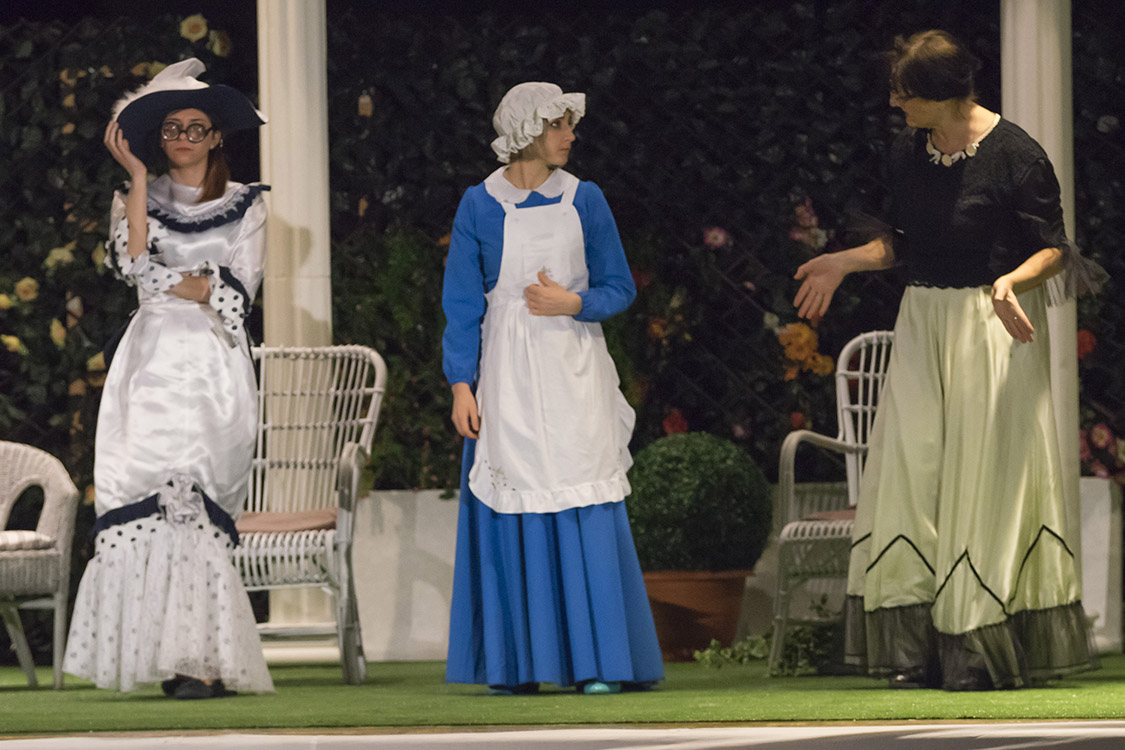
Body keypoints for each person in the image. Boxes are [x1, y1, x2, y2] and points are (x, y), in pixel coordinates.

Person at [792, 30, 1105, 691]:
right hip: (922, 321)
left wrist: (1009, 281)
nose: (894, 103)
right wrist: (843, 262)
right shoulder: (910, 151)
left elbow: (1054, 248)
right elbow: (904, 243)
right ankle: (914, 648)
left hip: (990, 325)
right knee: (910, 470)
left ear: (941, 96)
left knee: (979, 475)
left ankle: (975, 644)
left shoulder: (1015, 154)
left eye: (903, 94)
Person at [441, 81, 665, 695]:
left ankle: (600, 661)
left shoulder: (584, 198)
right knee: (513, 495)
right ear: (526, 131)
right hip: (507, 374)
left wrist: (575, 302)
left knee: (581, 495)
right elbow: (461, 303)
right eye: (557, 125)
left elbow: (619, 286)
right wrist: (461, 384)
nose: (570, 135)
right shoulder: (478, 204)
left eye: (570, 124)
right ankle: (520, 665)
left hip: (572, 366)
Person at [64, 58, 274, 699]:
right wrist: (134, 178)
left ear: (216, 136)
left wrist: (173, 279)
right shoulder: (136, 197)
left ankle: (205, 660)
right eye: (172, 128)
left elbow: (236, 292)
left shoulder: (249, 205)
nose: (183, 137)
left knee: (200, 503)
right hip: (149, 366)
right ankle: (170, 657)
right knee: (145, 499)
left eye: (196, 127)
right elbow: (131, 266)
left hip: (212, 365)